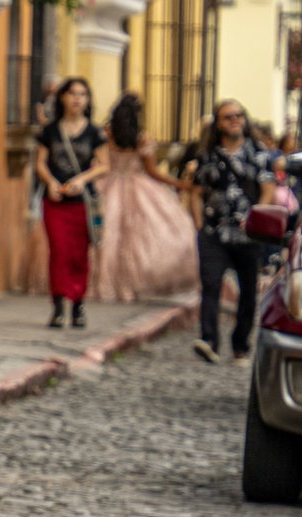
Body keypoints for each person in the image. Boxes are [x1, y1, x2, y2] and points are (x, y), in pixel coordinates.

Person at [184, 99, 276, 364]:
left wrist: (258, 215)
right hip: (214, 232)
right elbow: (197, 192)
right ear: (218, 124)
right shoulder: (207, 155)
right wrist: (200, 226)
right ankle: (209, 340)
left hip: (248, 234)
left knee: (247, 291)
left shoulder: (259, 153)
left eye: (238, 115)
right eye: (228, 117)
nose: (235, 120)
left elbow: (267, 188)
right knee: (210, 284)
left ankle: (240, 346)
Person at [88, 94, 199, 304]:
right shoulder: (142, 138)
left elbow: (98, 161)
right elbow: (153, 172)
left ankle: (101, 282)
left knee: (103, 236)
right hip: (138, 187)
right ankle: (133, 283)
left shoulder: (105, 133)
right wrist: (179, 185)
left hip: (106, 185)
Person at [34, 77, 108, 329]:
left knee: (79, 254)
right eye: (73, 93)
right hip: (54, 201)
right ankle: (58, 306)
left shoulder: (94, 132)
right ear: (63, 97)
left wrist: (82, 179)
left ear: (87, 100)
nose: (77, 99)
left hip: (82, 202)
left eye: (83, 94)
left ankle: (78, 303)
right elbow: (40, 162)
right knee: (58, 252)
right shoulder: (50, 130)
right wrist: (51, 182)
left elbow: (104, 165)